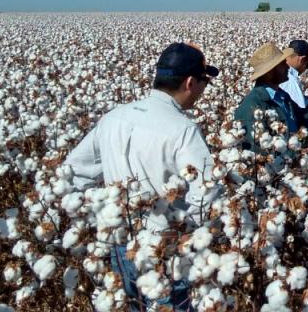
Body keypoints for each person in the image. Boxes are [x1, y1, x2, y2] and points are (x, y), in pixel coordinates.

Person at [64, 42, 221, 312]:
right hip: (165, 255)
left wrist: (98, 215)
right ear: (190, 82)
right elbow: (206, 193)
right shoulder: (183, 130)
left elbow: (73, 170)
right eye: (204, 83)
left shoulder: (115, 117)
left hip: (119, 248)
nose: (202, 91)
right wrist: (190, 236)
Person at [234, 42, 308, 153]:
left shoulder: (282, 95)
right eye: (282, 64)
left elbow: (301, 121)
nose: (287, 67)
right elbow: (256, 150)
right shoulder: (252, 105)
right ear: (270, 72)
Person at [279, 39, 308, 123]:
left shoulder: (276, 74)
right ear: (302, 60)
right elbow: (299, 118)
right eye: (307, 65)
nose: (306, 69)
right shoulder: (291, 82)